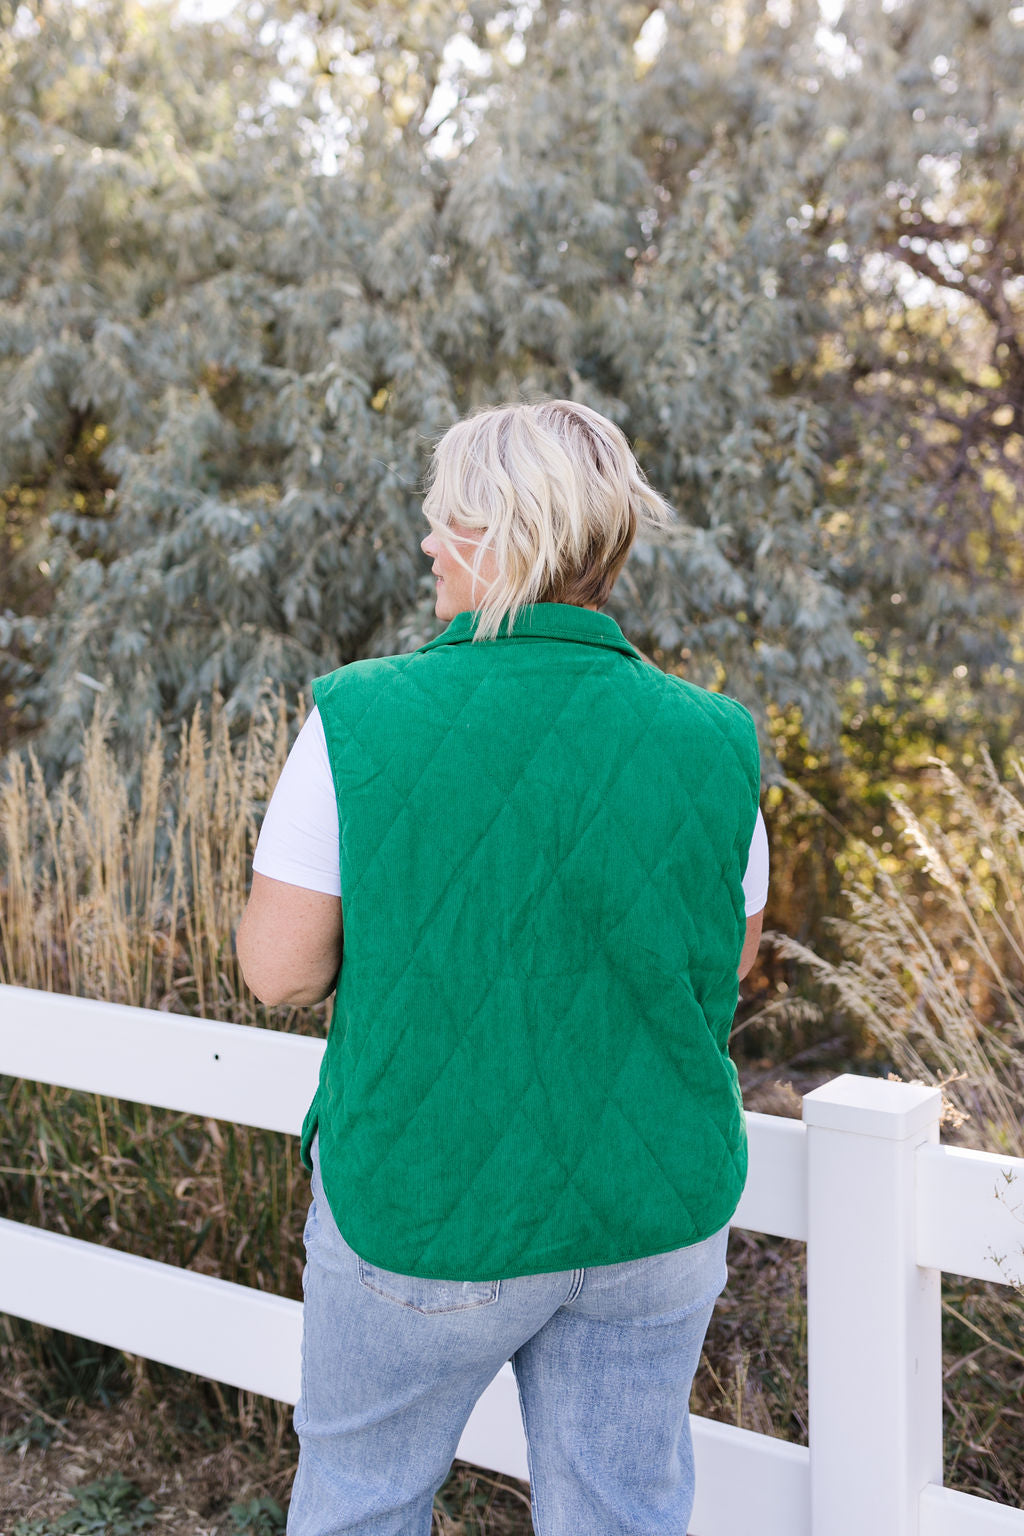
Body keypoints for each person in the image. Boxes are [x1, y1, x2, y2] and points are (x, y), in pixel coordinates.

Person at [235, 398, 768, 1536]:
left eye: (444, 521)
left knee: (362, 1504)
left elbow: (275, 972)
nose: (428, 542)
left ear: (499, 532)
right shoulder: (717, 737)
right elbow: (721, 969)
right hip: (653, 1216)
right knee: (622, 1516)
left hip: (424, 1214)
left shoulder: (360, 717)